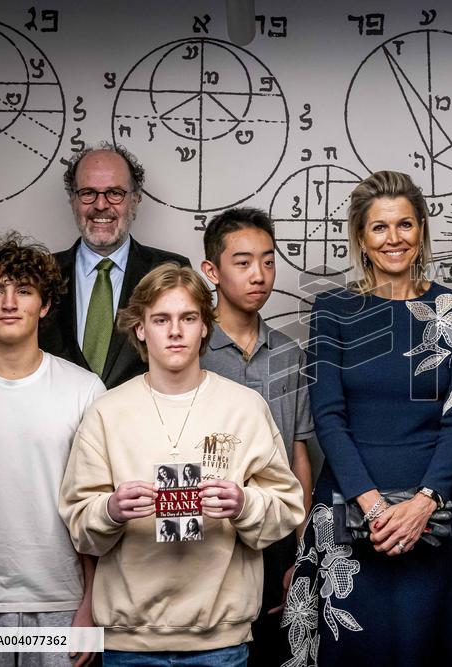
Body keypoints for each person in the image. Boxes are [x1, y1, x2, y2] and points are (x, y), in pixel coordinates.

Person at [285, 171, 452, 666]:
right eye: (379, 227)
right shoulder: (332, 309)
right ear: (361, 237)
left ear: (421, 229)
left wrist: (424, 502)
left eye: (405, 224)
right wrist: (376, 507)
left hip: (435, 512)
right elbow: (328, 417)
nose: (393, 238)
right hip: (349, 506)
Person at [59, 263, 305, 666]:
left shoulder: (245, 408)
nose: (175, 331)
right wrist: (111, 510)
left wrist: (244, 504)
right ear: (140, 328)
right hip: (128, 642)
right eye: (161, 320)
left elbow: (287, 506)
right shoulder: (106, 412)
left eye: (188, 318)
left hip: (220, 640)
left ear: (205, 326)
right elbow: (79, 525)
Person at [0, 233, 104, 667]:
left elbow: (94, 508)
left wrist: (92, 605)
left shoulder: (85, 390)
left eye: (25, 290)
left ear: (45, 305)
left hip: (63, 606)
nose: (10, 303)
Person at [199, 206, 315, 664]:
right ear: (212, 270)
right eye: (243, 262)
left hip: (274, 533)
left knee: (271, 652)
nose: (259, 275)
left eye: (268, 261)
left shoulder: (289, 352)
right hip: (208, 533)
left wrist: (302, 551)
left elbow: (298, 454)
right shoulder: (191, 348)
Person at [39, 142, 190, 389]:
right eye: (88, 193)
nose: (101, 205)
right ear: (73, 200)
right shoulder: (40, 273)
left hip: (140, 412)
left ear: (135, 200)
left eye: (115, 193)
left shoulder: (172, 270)